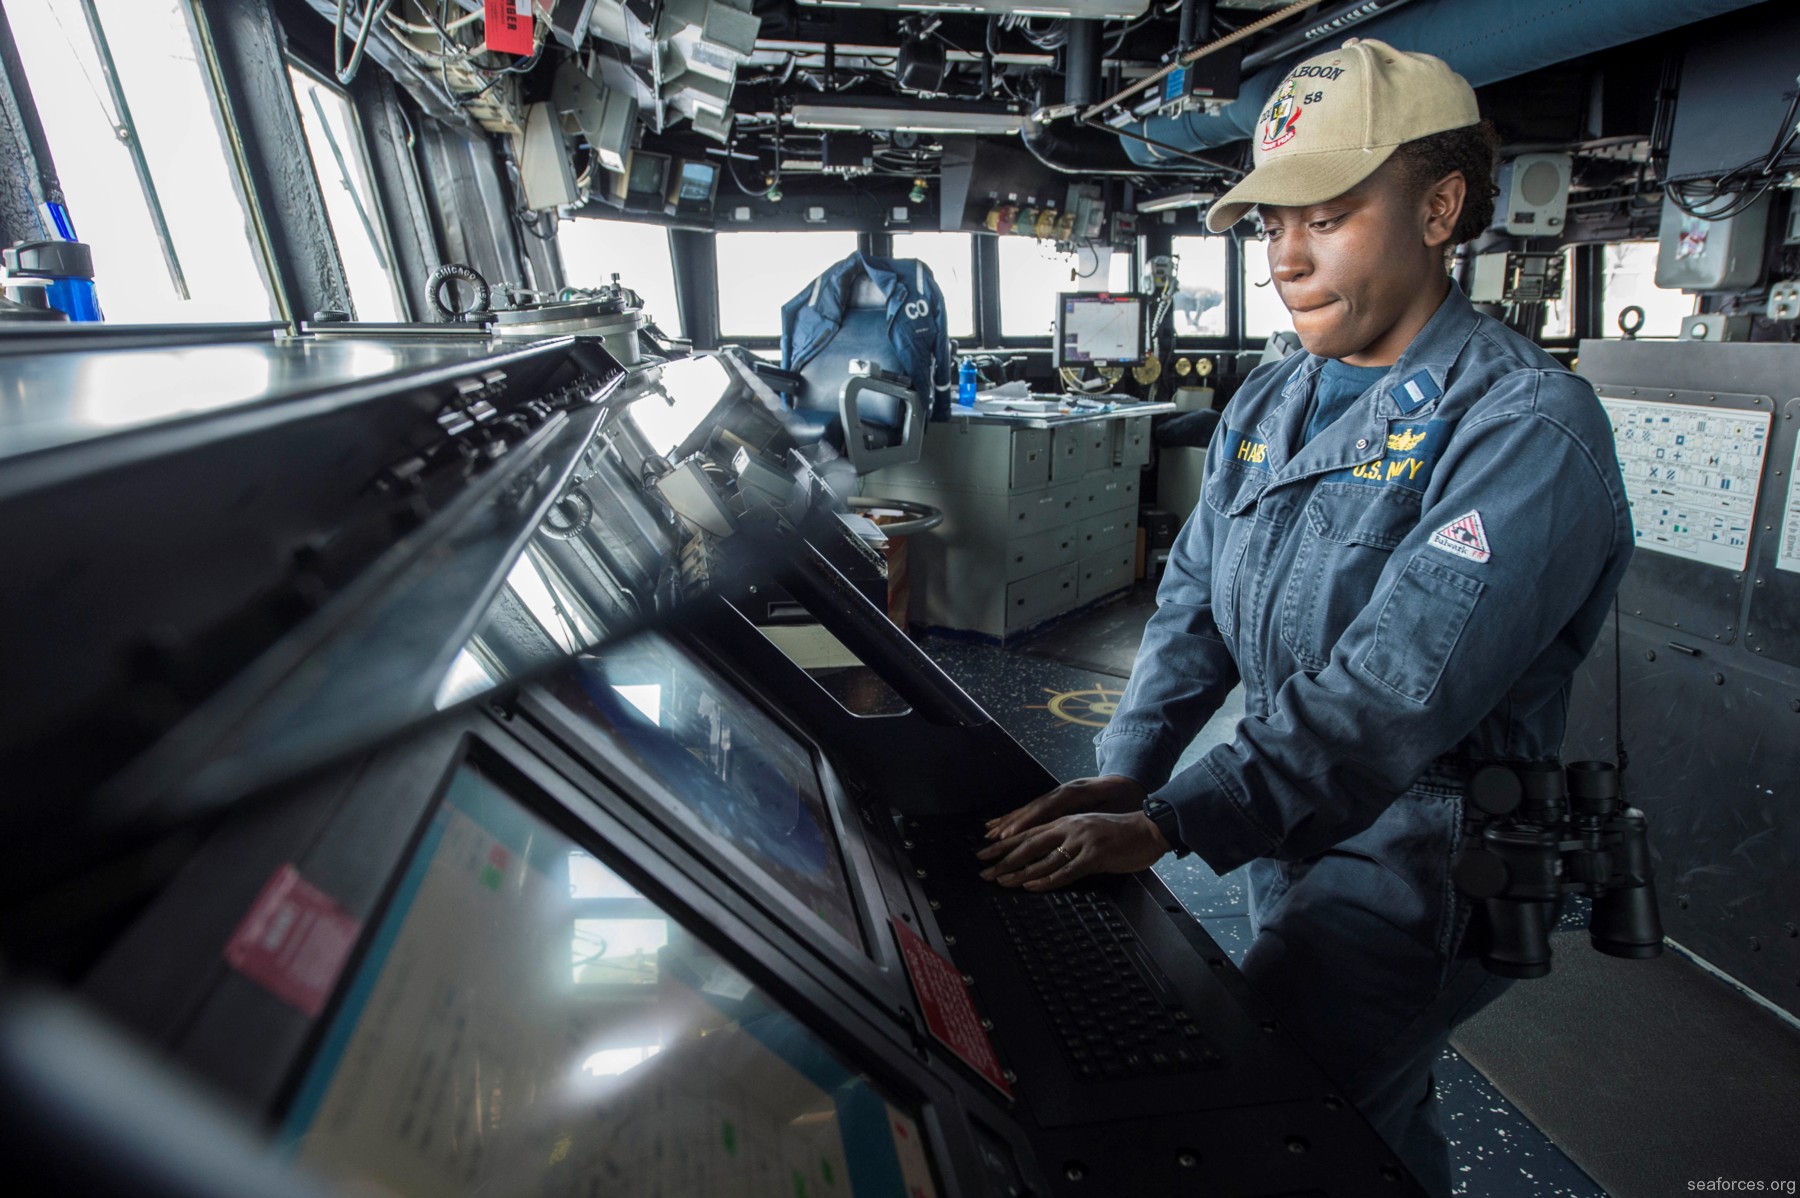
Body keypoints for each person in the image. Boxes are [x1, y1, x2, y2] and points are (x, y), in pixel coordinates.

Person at [974, 37, 1633, 1195]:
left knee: (1268, 1126)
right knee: (1367, 1120)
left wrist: (1179, 821)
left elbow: (1390, 691)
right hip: (1297, 823)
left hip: (1429, 854)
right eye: (1269, 225)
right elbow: (1192, 603)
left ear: (1439, 208)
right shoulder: (1276, 395)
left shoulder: (1527, 429)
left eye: (1324, 216)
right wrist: (1127, 770)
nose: (1284, 257)